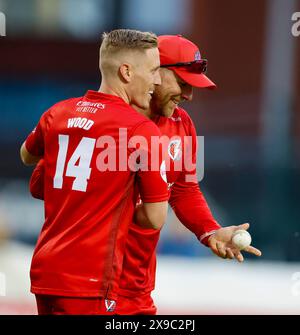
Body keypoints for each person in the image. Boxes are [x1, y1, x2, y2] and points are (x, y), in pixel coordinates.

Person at [29, 34, 262, 315]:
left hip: (137, 287)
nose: (188, 96)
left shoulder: (182, 123)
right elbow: (44, 183)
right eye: (183, 83)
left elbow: (185, 189)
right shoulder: (104, 119)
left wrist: (210, 230)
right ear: (153, 70)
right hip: (94, 283)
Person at [19, 29, 169, 315]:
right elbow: (154, 217)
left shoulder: (58, 113)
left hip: (45, 272)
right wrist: (114, 205)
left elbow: (26, 155)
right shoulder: (140, 130)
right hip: (90, 281)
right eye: (153, 70)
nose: (157, 80)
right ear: (126, 71)